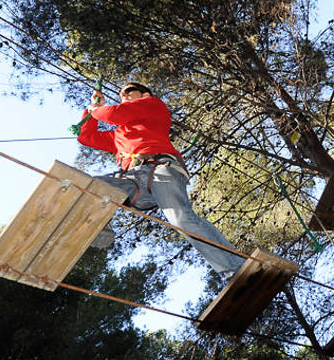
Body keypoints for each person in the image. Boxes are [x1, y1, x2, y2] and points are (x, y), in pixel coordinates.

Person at [77, 82, 244, 278]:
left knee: (181, 219)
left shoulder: (153, 105)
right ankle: (101, 230)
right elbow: (85, 137)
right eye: (122, 95)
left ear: (144, 94)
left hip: (161, 170)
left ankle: (237, 269)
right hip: (135, 181)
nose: (124, 96)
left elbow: (114, 114)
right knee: (95, 186)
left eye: (129, 92)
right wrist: (89, 110)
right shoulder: (119, 135)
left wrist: (98, 109)